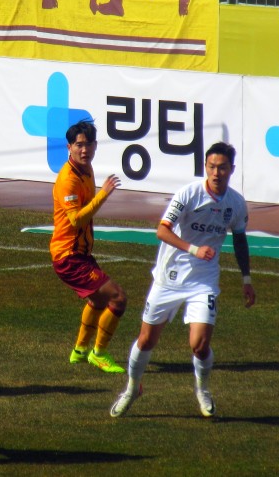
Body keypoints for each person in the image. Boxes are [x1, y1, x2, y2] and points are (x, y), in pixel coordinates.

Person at [109, 142, 256, 419]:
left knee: (199, 345)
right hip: (169, 278)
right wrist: (193, 249)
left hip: (204, 280)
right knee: (146, 340)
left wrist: (246, 279)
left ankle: (202, 389)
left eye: (222, 167)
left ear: (231, 170)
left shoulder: (235, 204)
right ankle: (132, 387)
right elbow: (161, 232)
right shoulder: (188, 194)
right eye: (212, 167)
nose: (216, 173)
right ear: (205, 168)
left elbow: (239, 240)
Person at [52, 119, 127, 374]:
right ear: (69, 147)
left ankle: (80, 351)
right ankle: (99, 353)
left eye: (89, 145)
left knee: (96, 300)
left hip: (80, 254)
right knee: (117, 298)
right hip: (69, 256)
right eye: (79, 145)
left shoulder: (87, 168)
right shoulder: (68, 180)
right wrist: (103, 194)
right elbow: (76, 219)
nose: (85, 150)